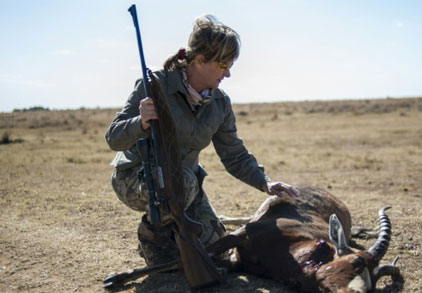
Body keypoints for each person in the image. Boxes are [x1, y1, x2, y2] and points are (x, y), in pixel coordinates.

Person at [105, 14, 299, 266]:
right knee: (182, 184)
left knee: (217, 248)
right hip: (135, 179)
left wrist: (266, 183)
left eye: (230, 66)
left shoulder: (220, 103)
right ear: (199, 60)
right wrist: (139, 123)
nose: (228, 74)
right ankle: (151, 237)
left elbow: (234, 154)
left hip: (184, 185)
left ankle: (174, 233)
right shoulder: (153, 85)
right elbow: (113, 138)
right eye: (222, 65)